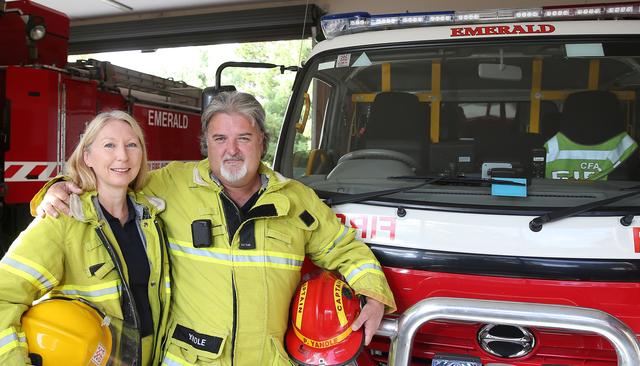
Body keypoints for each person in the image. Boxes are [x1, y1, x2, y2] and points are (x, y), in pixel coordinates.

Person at [34, 92, 396, 365]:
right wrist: (58, 187)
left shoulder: (297, 199)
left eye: (244, 138)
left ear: (263, 144)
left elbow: (345, 249)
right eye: (220, 139)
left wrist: (374, 293)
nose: (231, 150)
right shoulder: (170, 184)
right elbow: (110, 177)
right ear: (207, 144)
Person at [0, 111, 170, 365]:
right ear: (87, 156)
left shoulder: (152, 218)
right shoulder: (62, 219)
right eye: (109, 145)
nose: (122, 155)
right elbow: (4, 295)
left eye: (132, 145)